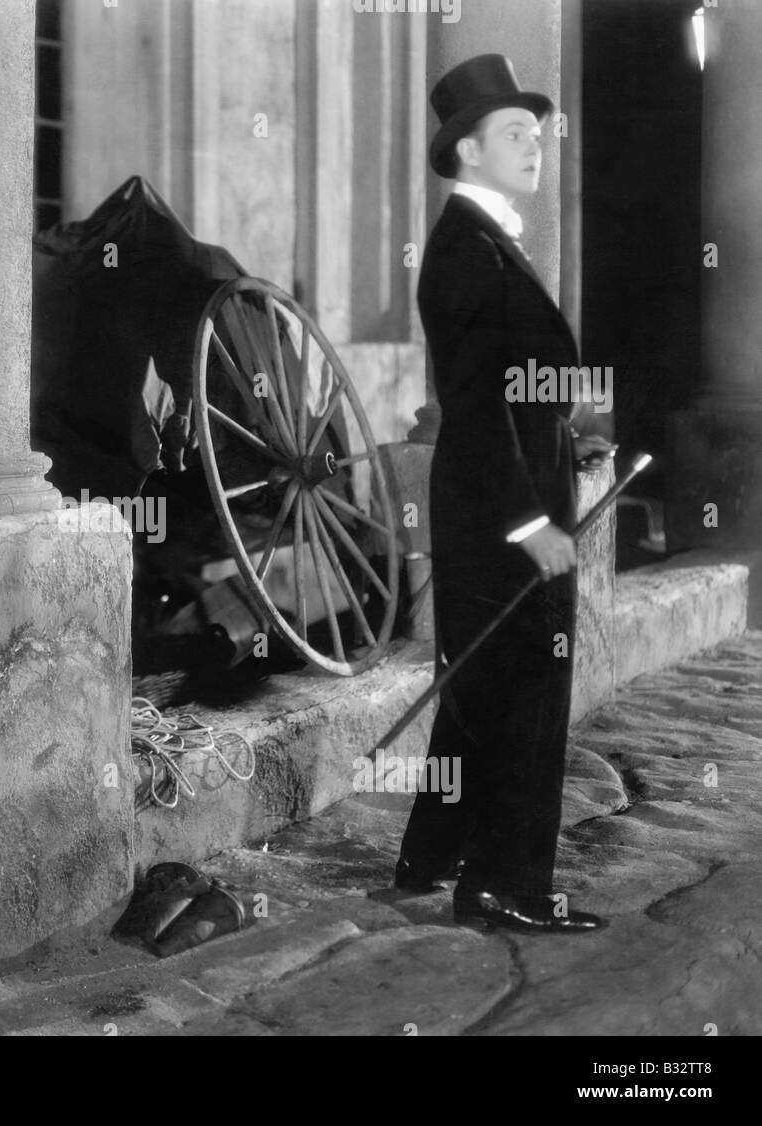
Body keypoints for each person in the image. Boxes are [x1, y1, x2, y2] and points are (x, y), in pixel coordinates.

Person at [394, 55, 614, 932]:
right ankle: (507, 884)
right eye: (515, 134)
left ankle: (430, 852)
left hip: (496, 496)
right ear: (468, 150)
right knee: (527, 689)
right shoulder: (468, 254)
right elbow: (482, 410)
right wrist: (532, 525)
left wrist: (568, 426)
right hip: (503, 512)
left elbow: (514, 390)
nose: (536, 146)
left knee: (483, 679)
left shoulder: (485, 240)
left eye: (537, 133)